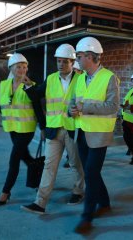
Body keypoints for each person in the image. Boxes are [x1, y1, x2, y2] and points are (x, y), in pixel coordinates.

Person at [21, 44, 85, 215]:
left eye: (65, 61)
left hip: (72, 129)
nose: (61, 64)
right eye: (58, 61)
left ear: (73, 62)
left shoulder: (81, 79)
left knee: (75, 164)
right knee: (49, 166)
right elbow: (36, 95)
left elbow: (89, 101)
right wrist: (28, 86)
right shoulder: (50, 79)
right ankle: (40, 203)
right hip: (54, 130)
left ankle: (79, 191)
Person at [70, 37, 119, 234]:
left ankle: (86, 217)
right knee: (92, 172)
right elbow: (74, 101)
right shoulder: (80, 78)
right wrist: (71, 110)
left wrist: (85, 107)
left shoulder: (109, 77)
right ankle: (105, 202)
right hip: (81, 132)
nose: (77, 60)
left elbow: (113, 106)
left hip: (99, 134)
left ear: (90, 57)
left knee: (90, 174)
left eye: (79, 56)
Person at [0, 53, 45, 206]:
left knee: (14, 159)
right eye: (18, 67)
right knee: (26, 158)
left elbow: (38, 107)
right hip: (12, 128)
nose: (22, 70)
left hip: (26, 129)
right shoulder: (4, 85)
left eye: (24, 67)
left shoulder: (31, 85)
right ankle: (38, 180)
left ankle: (5, 192)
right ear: (11, 68)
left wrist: (43, 128)